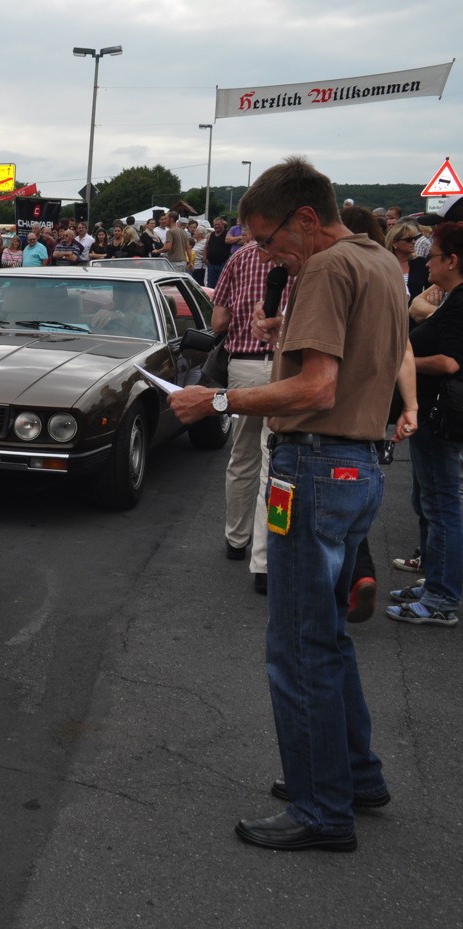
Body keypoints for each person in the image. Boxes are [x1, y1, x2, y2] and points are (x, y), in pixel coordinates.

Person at [170, 156, 408, 852]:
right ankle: (352, 775)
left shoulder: (326, 268)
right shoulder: (378, 261)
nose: (265, 253)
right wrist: (287, 342)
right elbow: (350, 365)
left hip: (314, 466)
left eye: (268, 239)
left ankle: (321, 805)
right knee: (326, 634)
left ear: (306, 219)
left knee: (299, 644)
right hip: (356, 467)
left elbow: (316, 389)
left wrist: (218, 398)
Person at [386, 222, 463, 628]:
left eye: (431, 256)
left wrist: (402, 363)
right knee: (429, 502)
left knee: (442, 505)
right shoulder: (451, 298)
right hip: (434, 414)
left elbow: (450, 361)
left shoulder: (460, 301)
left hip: (439, 415)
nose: (425, 262)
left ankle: (441, 597)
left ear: (452, 260)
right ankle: (435, 581)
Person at [210, 246, 295, 593]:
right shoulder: (300, 258)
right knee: (275, 465)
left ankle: (236, 538)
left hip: (243, 366)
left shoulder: (238, 258)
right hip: (287, 364)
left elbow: (218, 322)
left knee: (242, 456)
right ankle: (265, 561)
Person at [204, 217, 232, 287]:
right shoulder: (211, 235)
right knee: (211, 285)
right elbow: (206, 247)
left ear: (223, 225)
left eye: (219, 224)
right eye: (215, 225)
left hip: (223, 264)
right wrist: (205, 258)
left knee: (222, 285)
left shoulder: (227, 234)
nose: (217, 226)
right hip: (211, 264)